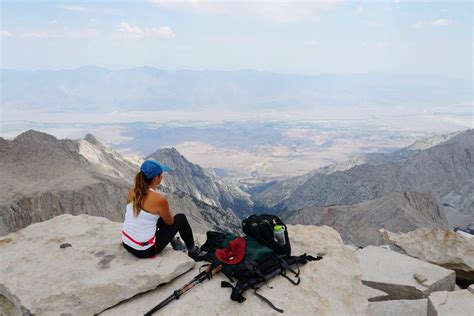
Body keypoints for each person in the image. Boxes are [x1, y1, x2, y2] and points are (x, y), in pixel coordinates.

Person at [121, 159, 207, 261]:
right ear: (156, 178)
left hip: (127, 242)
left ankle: (175, 242)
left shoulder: (133, 190)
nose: (162, 177)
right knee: (181, 218)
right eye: (161, 174)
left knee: (155, 217)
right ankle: (193, 252)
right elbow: (170, 222)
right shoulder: (159, 199)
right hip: (144, 250)